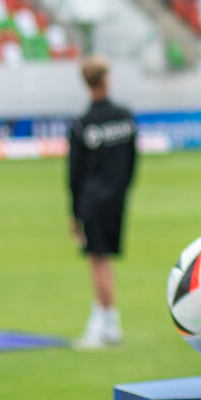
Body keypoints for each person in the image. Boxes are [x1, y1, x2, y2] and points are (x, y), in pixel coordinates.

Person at [67, 57, 141, 350]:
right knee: (105, 259)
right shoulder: (124, 117)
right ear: (106, 79)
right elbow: (133, 159)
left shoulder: (83, 124)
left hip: (92, 201)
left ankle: (103, 324)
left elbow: (74, 173)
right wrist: (123, 189)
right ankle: (108, 324)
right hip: (118, 197)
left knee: (98, 261)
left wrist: (74, 214)